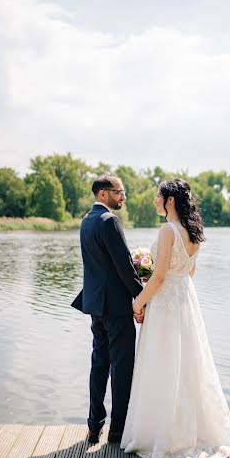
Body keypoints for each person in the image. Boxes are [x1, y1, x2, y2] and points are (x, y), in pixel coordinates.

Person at [121, 178, 230, 458]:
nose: (154, 201)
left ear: (170, 200)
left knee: (162, 363)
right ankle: (192, 431)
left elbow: (159, 276)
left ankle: (160, 433)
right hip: (185, 301)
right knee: (187, 364)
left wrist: (138, 302)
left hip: (164, 306)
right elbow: (189, 272)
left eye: (157, 197)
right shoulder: (193, 231)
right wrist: (173, 290)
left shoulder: (167, 231)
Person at [71, 175, 144, 444]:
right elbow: (124, 266)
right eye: (119, 192)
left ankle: (94, 424)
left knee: (99, 364)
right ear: (103, 194)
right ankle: (118, 429)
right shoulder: (109, 221)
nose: (123, 196)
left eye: (123, 192)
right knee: (122, 368)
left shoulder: (86, 220)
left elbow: (101, 265)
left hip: (96, 306)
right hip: (116, 307)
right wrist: (142, 296)